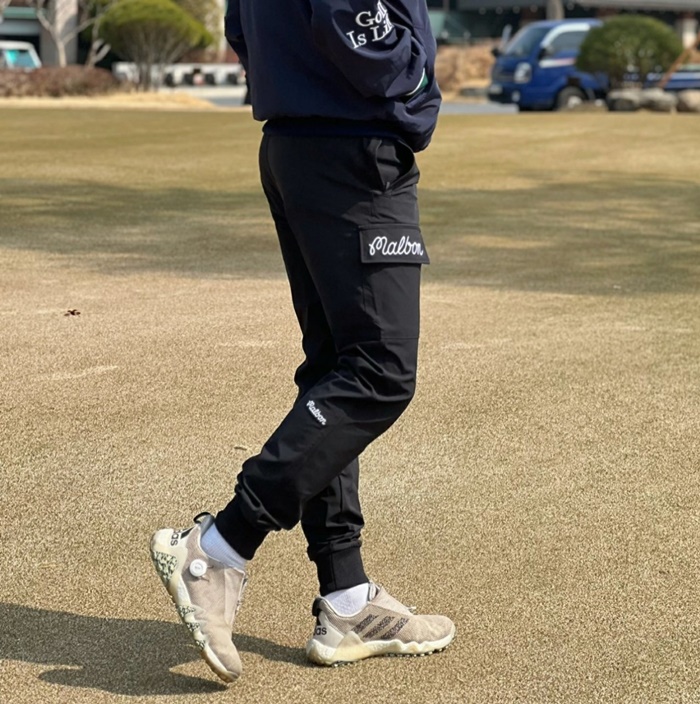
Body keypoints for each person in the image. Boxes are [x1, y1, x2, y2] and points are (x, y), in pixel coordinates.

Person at [150, 0, 455, 682]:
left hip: (303, 143)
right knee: (379, 371)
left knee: (337, 368)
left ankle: (347, 597)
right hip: (353, 149)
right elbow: (350, 14)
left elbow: (240, 25)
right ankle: (221, 546)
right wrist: (411, 80)